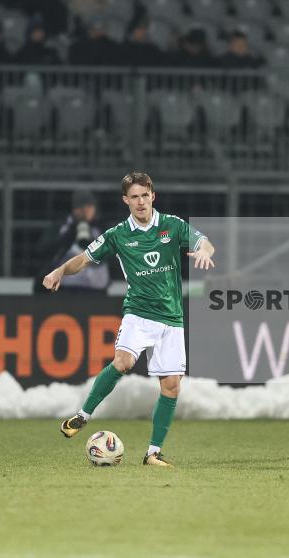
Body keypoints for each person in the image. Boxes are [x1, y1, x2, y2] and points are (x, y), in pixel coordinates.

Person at [43, 172, 215, 467]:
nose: (140, 202)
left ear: (153, 196)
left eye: (144, 195)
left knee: (171, 386)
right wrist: (59, 271)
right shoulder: (118, 234)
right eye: (134, 197)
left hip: (172, 318)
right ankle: (83, 415)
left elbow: (205, 244)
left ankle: (152, 453)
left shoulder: (173, 226)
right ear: (126, 200)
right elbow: (83, 259)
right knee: (123, 361)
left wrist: (202, 251)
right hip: (138, 313)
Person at [34, 190, 109, 295]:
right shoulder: (63, 226)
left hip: (96, 290)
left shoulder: (101, 228)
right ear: (74, 209)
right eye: (81, 207)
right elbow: (42, 250)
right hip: (65, 290)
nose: (85, 211)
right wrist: (70, 234)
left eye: (89, 207)